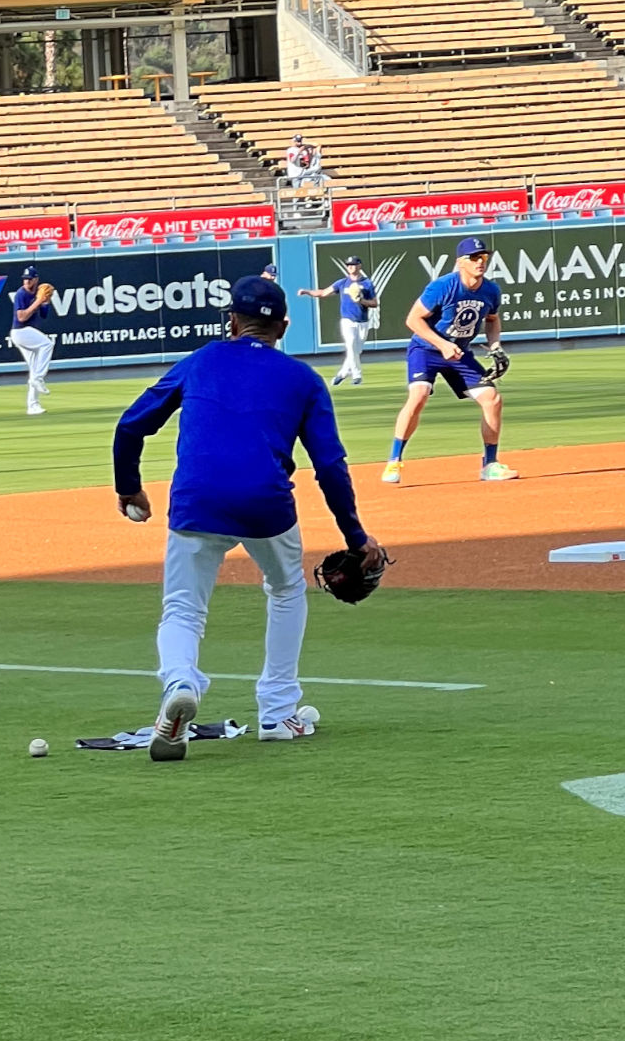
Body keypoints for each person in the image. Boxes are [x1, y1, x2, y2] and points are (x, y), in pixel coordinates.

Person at [113, 274, 380, 760]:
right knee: (285, 589)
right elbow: (330, 467)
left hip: (198, 499)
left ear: (231, 321)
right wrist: (356, 536)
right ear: (282, 326)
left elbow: (131, 425)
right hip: (266, 503)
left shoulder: (200, 361)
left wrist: (128, 487)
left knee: (182, 608)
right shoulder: (303, 379)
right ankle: (278, 711)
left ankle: (180, 685)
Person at [384, 236, 515, 485]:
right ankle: (394, 461)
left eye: (484, 257)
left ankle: (490, 465)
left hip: (460, 353)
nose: (480, 262)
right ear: (460, 262)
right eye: (474, 258)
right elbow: (413, 320)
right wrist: (442, 344)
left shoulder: (490, 290)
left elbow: (492, 319)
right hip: (426, 349)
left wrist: (496, 345)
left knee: (492, 399)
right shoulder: (443, 286)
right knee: (419, 395)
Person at [299, 255, 378, 386]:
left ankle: (342, 373)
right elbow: (324, 293)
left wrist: (362, 301)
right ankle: (357, 375)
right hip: (347, 320)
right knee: (350, 344)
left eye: (353, 264)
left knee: (356, 351)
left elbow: (375, 303)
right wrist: (307, 292)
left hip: (362, 322)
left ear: (359, 266)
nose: (350, 267)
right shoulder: (342, 283)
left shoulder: (367, 283)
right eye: (348, 265)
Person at [9, 265, 55, 416]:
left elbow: (43, 314)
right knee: (47, 344)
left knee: (34, 369)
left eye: (29, 279)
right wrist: (38, 301)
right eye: (25, 279)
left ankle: (33, 406)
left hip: (28, 333)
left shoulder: (38, 291)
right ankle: (39, 378)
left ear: (36, 279)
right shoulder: (21, 294)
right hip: (20, 332)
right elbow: (22, 317)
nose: (26, 282)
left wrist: (45, 302)